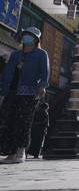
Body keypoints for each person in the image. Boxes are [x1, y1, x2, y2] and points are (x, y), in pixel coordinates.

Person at [0, 27, 49, 164]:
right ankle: (10, 152)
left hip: (29, 92)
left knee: (24, 121)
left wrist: (42, 87)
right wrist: (3, 89)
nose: (26, 38)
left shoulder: (41, 54)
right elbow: (7, 72)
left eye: (30, 36)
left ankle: (21, 151)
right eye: (25, 35)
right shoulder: (16, 54)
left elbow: (45, 72)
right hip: (11, 91)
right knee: (9, 120)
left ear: (36, 39)